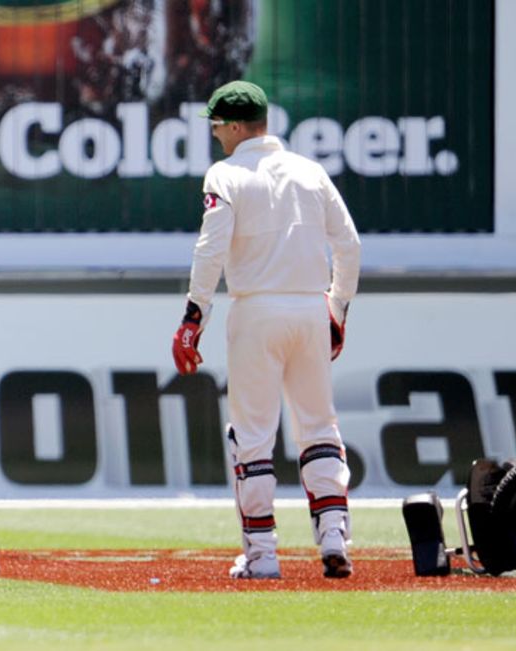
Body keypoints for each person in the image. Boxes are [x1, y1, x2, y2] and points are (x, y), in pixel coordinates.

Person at [171, 80, 361, 580]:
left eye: (217, 125)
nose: (215, 134)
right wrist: (337, 307)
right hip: (310, 308)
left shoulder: (225, 174)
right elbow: (350, 246)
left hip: (255, 310)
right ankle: (334, 536)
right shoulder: (310, 171)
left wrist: (194, 316)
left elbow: (210, 249)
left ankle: (262, 555)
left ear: (236, 126)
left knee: (252, 436)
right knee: (318, 427)